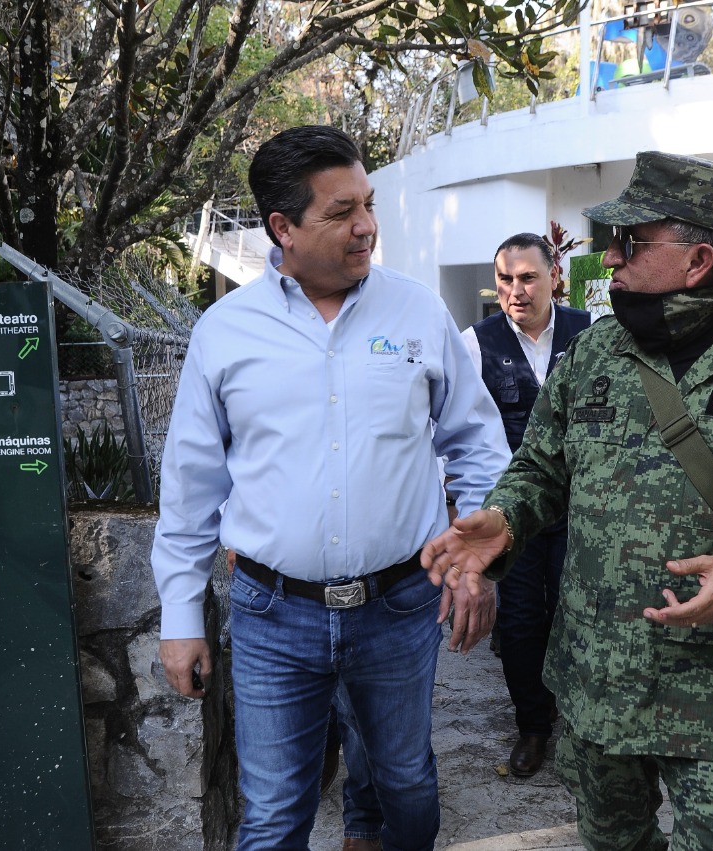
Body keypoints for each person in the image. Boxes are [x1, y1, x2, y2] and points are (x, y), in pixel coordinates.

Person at [421, 151, 713, 849]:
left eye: (630, 242)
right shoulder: (594, 354)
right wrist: (507, 516)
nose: (609, 258)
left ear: (698, 259)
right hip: (595, 681)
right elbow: (541, 468)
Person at [151, 124, 509, 851]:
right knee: (275, 811)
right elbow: (191, 484)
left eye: (368, 204)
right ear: (283, 227)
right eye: (342, 211)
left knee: (405, 779)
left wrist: (478, 557)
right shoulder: (225, 333)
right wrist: (180, 614)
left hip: (400, 606)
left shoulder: (417, 313)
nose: (367, 226)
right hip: (271, 616)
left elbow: (476, 443)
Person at [460, 233, 590, 776]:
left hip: (581, 508)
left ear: (554, 277)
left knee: (578, 614)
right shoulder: (475, 342)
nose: (515, 290)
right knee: (518, 621)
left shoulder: (593, 335)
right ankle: (533, 728)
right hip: (511, 512)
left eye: (528, 277)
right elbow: (460, 431)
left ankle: (582, 728)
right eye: (505, 279)